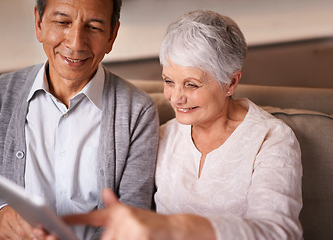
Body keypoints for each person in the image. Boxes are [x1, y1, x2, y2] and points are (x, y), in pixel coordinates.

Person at [47, 10, 303, 240]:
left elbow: (279, 232)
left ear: (231, 82)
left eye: (191, 84)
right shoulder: (160, 135)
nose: (176, 97)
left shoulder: (271, 138)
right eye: (169, 81)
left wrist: (177, 227)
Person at [0, 0, 159, 239]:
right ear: (39, 23)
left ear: (112, 36)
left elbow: (133, 211)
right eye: (62, 22)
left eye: (94, 27)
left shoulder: (138, 111)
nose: (75, 43)